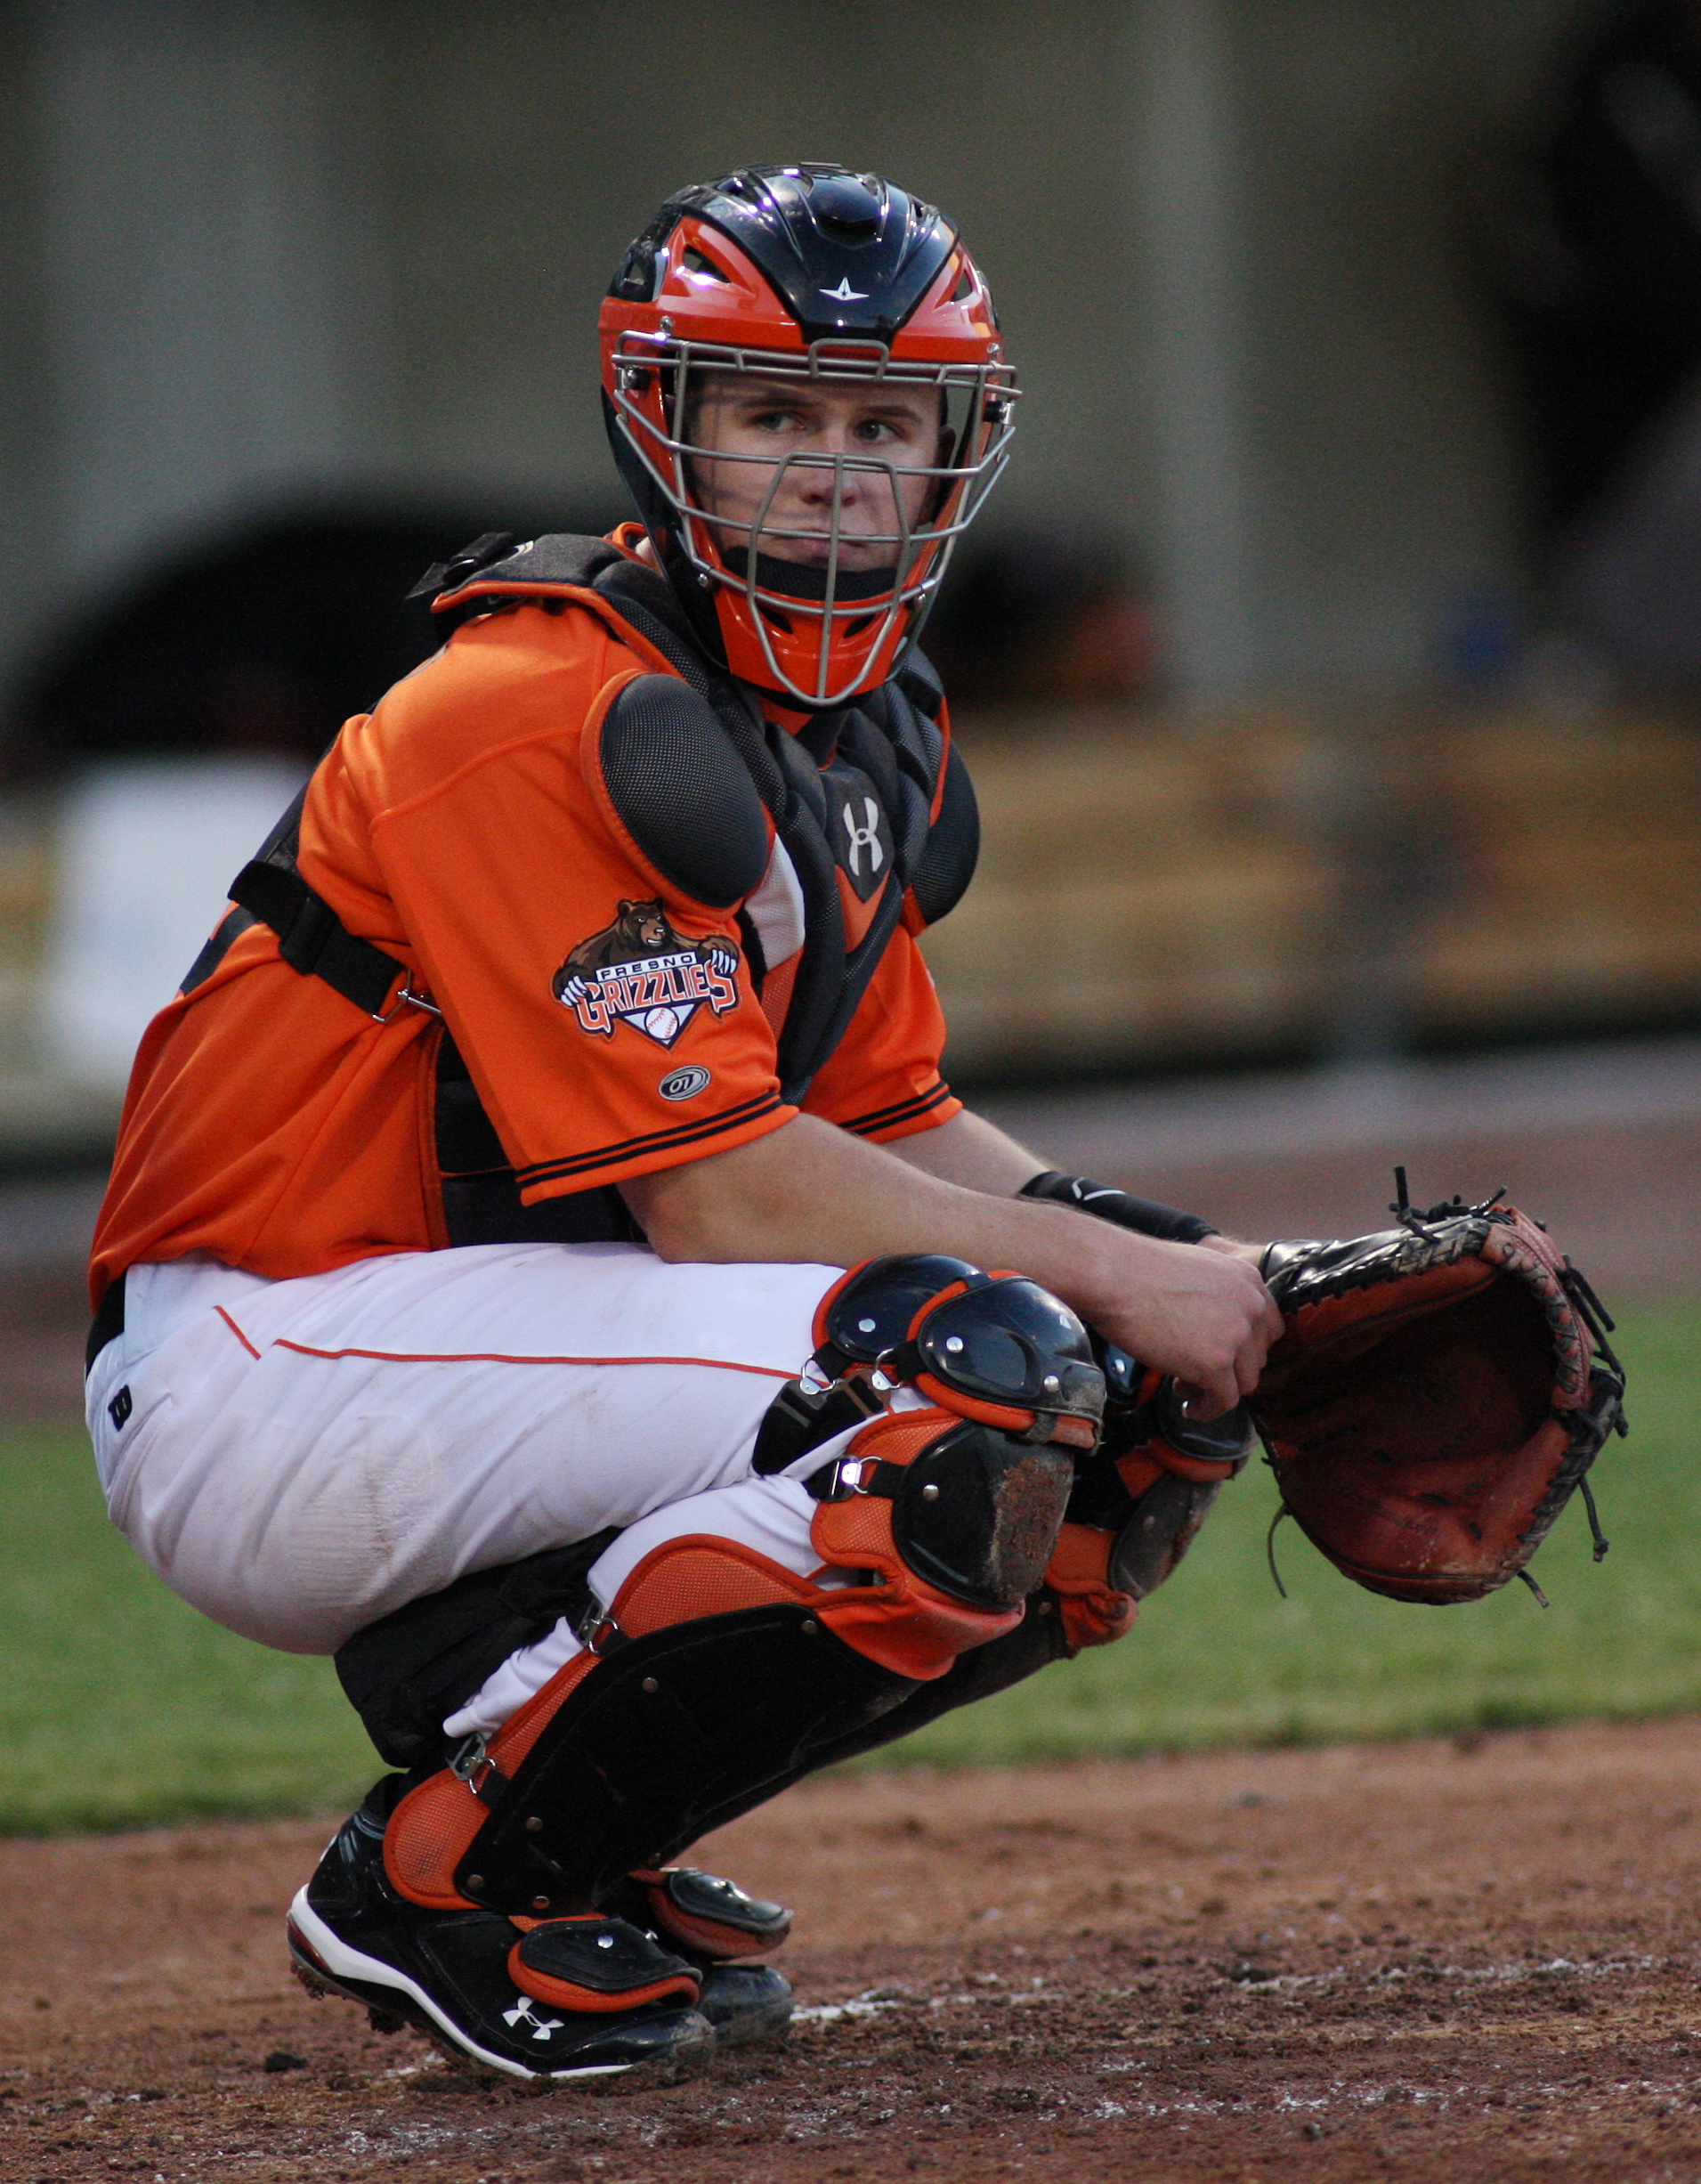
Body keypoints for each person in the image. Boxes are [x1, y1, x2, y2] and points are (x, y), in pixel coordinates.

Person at [84, 165, 1280, 2083]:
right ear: (669, 429)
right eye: (773, 417)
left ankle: (572, 1838)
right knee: (972, 1373)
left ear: (948, 454)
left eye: (879, 424)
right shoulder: (527, 703)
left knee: (1114, 1410)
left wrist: (1209, 1274)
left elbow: (884, 1114)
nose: (829, 470)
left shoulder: (866, 715)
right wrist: (1109, 1274)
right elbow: (727, 1199)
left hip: (491, 1330)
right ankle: (439, 1881)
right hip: (272, 1349)